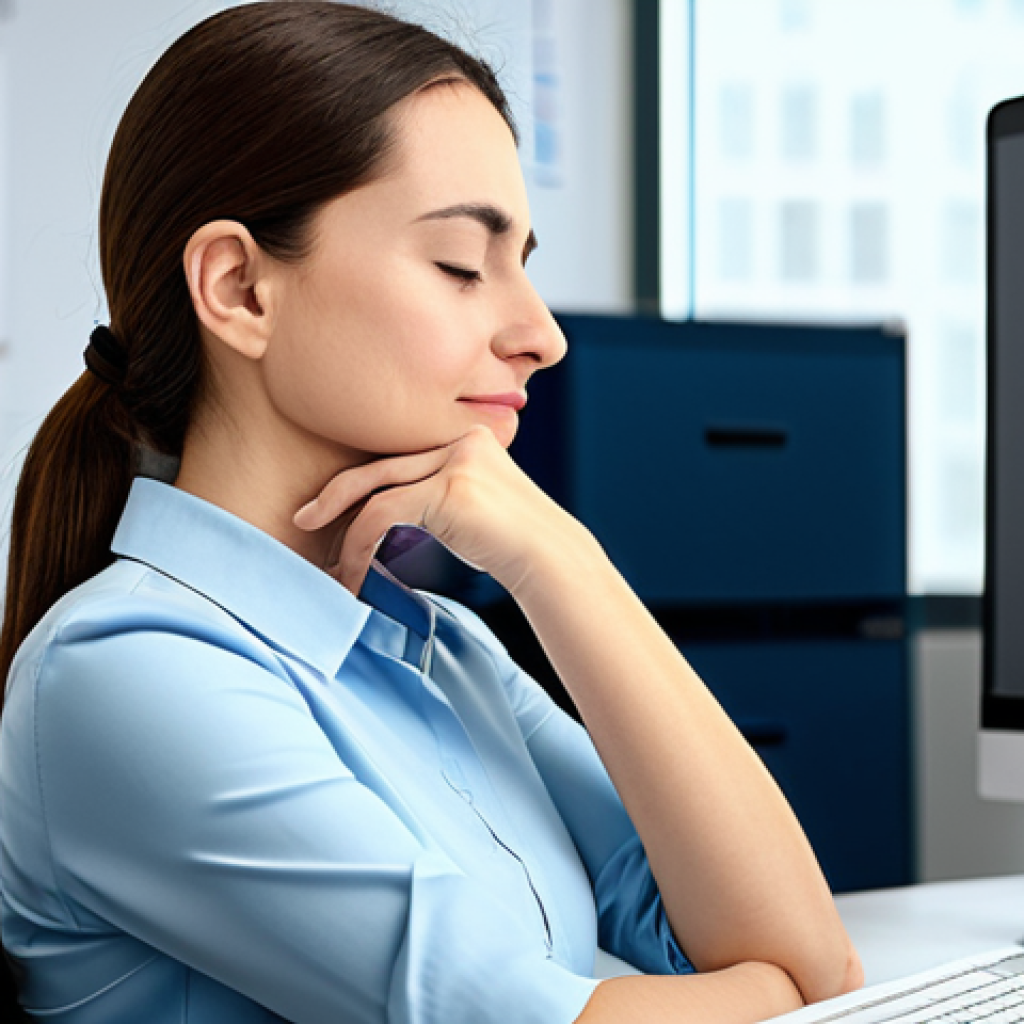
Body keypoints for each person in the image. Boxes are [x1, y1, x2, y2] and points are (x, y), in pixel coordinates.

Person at [0, 3, 863, 1022]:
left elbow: (811, 973)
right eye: (461, 262)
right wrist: (736, 993)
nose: (540, 334)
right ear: (238, 289)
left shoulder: (446, 651)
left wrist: (560, 559)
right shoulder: (125, 671)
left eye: (523, 264)